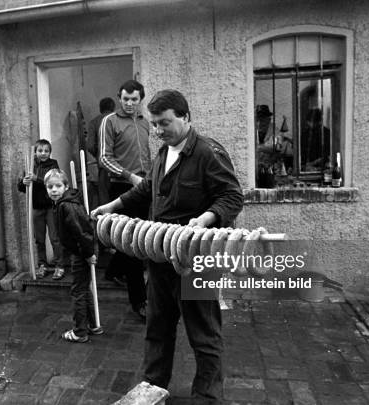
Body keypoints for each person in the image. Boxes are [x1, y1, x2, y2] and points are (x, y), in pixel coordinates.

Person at [91, 89, 243, 403]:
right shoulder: (164, 152)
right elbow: (145, 190)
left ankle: (207, 395)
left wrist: (205, 219)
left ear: (186, 117)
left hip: (195, 259)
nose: (158, 130)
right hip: (160, 259)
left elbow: (232, 196)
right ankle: (152, 388)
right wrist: (112, 206)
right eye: (155, 124)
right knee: (157, 328)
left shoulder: (207, 153)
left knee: (203, 332)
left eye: (165, 123)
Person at [98, 79, 151, 319]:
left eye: (134, 99)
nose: (130, 104)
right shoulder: (109, 121)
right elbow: (104, 158)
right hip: (121, 188)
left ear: (141, 100)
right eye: (126, 99)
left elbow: (147, 157)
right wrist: (130, 177)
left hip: (143, 187)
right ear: (119, 97)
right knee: (133, 244)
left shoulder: (145, 123)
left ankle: (112, 271)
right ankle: (140, 302)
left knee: (135, 239)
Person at [44, 169, 103, 342]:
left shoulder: (67, 205)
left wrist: (88, 254)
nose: (54, 190)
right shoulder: (63, 203)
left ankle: (79, 332)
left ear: (66, 186)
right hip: (81, 250)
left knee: (78, 291)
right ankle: (93, 324)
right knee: (85, 289)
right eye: (50, 187)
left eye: (58, 186)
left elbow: (82, 232)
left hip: (82, 252)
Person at [18, 139, 65, 280]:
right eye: (40, 150)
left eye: (46, 151)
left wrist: (36, 178)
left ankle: (59, 266)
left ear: (50, 153)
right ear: (35, 152)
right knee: (39, 239)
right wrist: (23, 182)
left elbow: (52, 183)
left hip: (51, 206)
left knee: (54, 238)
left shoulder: (53, 164)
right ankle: (42, 265)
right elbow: (21, 187)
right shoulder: (29, 165)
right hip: (36, 207)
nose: (43, 153)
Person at [87, 97, 116, 207]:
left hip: (104, 167)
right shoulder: (118, 121)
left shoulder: (94, 122)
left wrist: (98, 154)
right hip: (121, 167)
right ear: (113, 108)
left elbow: (90, 146)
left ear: (100, 109)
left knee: (104, 202)